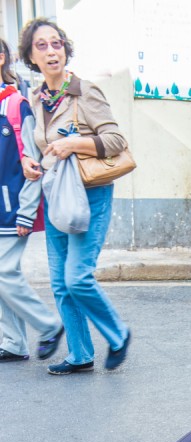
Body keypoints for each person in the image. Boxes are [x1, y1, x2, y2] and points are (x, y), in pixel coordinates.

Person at [18, 18, 131, 375]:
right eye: (42, 46)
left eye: (56, 44)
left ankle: (118, 334)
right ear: (31, 57)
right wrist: (30, 163)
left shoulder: (85, 91)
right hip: (56, 195)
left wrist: (73, 143)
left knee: (77, 278)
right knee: (60, 284)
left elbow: (115, 141)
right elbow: (39, 144)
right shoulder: (37, 98)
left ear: (65, 50)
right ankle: (81, 354)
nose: (51, 51)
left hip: (90, 196)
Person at [0, 36, 63, 363]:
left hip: (11, 207)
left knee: (3, 273)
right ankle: (12, 341)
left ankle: (48, 324)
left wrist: (26, 212)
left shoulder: (16, 105)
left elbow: (32, 161)